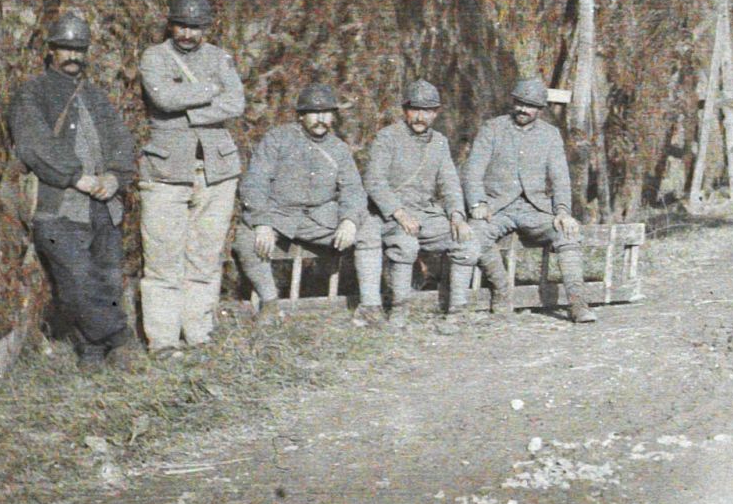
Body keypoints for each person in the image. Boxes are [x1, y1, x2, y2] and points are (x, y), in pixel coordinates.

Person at [5, 12, 142, 370]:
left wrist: (115, 177)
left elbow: (120, 141)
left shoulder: (97, 97)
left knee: (107, 279)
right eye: (65, 48)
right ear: (50, 51)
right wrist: (75, 177)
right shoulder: (32, 94)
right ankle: (121, 338)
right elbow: (34, 143)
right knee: (77, 283)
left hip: (103, 205)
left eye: (79, 49)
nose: (73, 56)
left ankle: (93, 353)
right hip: (58, 206)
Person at [136, 0, 246, 356]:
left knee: (205, 255)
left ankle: (199, 333)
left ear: (206, 29)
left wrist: (191, 107)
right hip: (167, 169)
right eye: (181, 26)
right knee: (163, 258)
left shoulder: (219, 56)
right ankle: (163, 340)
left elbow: (237, 102)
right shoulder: (154, 57)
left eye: (195, 27)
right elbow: (163, 98)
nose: (187, 34)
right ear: (170, 25)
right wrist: (212, 89)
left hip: (217, 170)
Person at [458, 77, 596, 324]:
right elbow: (473, 171)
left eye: (530, 105)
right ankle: (501, 291)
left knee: (568, 233)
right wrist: (478, 204)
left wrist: (563, 211)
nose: (523, 109)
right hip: (497, 207)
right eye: (519, 103)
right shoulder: (493, 128)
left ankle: (578, 303)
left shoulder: (550, 135)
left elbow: (560, 178)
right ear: (513, 102)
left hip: (536, 209)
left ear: (540, 109)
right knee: (476, 232)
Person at [236, 83, 370, 325]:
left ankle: (370, 305)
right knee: (246, 239)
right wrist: (262, 222)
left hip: (320, 216)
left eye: (326, 113)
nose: (321, 119)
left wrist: (349, 220)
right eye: (313, 113)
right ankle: (270, 302)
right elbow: (254, 182)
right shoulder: (278, 139)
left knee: (369, 230)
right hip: (279, 214)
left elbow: (353, 189)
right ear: (300, 116)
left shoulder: (338, 149)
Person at [357, 79, 477, 333]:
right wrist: (399, 214)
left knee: (466, 242)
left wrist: (457, 215)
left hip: (425, 213)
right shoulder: (387, 137)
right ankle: (399, 310)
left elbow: (450, 183)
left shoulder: (440, 142)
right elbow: (374, 181)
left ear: (436, 113)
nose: (421, 116)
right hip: (391, 214)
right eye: (415, 109)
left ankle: (457, 311)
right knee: (406, 244)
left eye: (428, 110)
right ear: (405, 110)